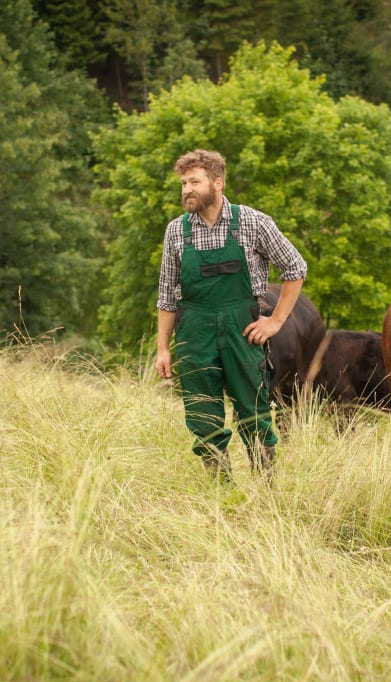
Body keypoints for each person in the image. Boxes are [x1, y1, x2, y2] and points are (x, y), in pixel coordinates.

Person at [155, 149, 307, 480]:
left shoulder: (253, 222)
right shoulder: (176, 232)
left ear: (218, 182)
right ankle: (222, 491)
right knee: (202, 416)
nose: (186, 190)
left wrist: (276, 321)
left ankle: (266, 488)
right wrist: (163, 347)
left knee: (253, 412)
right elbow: (167, 296)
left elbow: (296, 268)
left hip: (242, 331)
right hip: (195, 333)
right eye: (183, 183)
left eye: (194, 182)